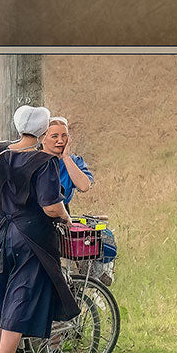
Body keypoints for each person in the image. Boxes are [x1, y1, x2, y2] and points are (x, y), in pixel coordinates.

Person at [0, 105, 80, 353]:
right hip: (32, 237)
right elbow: (50, 206)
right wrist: (67, 218)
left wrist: (8, 207)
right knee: (20, 297)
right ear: (41, 130)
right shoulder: (44, 161)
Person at [40, 117, 117, 285]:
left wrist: (66, 158)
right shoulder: (35, 161)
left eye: (64, 136)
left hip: (62, 213)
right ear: (42, 137)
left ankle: (95, 283)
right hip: (40, 215)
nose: (60, 140)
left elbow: (83, 185)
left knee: (103, 237)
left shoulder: (74, 161)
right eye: (54, 136)